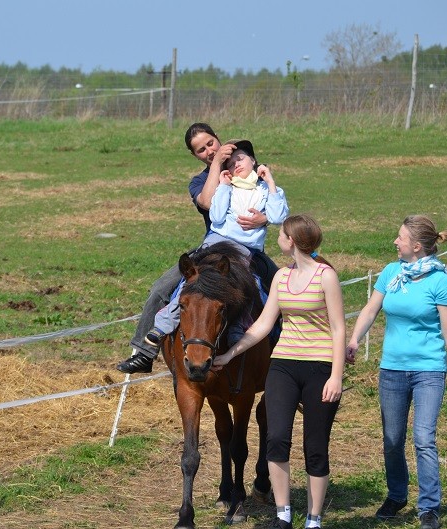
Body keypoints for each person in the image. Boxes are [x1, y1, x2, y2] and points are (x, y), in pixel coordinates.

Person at [213, 214, 345, 529]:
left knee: (315, 447)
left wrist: (336, 376)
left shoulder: (326, 276)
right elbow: (263, 324)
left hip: (320, 367)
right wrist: (230, 353)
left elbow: (338, 329)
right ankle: (283, 514)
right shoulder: (281, 277)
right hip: (283, 365)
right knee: (275, 440)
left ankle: (314, 519)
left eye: (281, 234)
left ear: (292, 241)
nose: (278, 239)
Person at [116, 124, 278, 374]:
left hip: (249, 251)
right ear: (195, 156)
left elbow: (275, 203)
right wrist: (217, 166)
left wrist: (263, 219)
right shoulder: (200, 181)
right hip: (211, 249)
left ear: (218, 138)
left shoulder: (247, 167)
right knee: (161, 288)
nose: (209, 151)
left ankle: (281, 363)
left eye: (211, 143)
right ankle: (145, 352)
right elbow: (208, 202)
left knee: (282, 291)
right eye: (201, 150)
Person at [345, 215, 447, 529]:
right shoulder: (392, 273)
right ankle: (397, 495)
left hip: (428, 370)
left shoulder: (441, 282)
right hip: (391, 369)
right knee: (392, 439)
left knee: (424, 439)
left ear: (416, 246)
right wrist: (354, 339)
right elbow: (371, 309)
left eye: (400, 237)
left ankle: (429, 507)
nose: (395, 241)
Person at [146, 139, 288, 347]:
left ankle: (244, 329)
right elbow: (217, 216)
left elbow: (278, 217)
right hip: (216, 241)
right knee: (193, 280)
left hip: (244, 248)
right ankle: (164, 323)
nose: (236, 164)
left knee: (252, 285)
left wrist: (271, 183)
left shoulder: (267, 190)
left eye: (241, 159)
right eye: (230, 164)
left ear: (253, 161)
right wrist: (223, 187)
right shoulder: (227, 187)